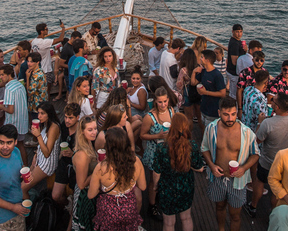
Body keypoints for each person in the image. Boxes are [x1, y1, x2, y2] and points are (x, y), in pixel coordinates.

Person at [200, 97, 260, 231]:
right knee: (219, 206)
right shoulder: (211, 129)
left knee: (235, 215)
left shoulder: (246, 133)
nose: (230, 118)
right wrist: (211, 165)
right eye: (226, 114)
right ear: (219, 112)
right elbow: (204, 148)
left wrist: (244, 168)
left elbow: (255, 153)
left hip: (237, 181)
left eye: (233, 114)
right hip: (217, 178)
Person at [151, 113, 205, 231]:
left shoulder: (162, 148)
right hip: (186, 187)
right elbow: (200, 168)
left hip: (167, 188)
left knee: (169, 223)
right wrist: (187, 164)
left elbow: (157, 172)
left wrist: (155, 186)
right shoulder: (192, 146)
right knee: (186, 218)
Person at [247, 93, 288, 216]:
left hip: (267, 162)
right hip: (286, 164)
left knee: (259, 182)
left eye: (274, 101)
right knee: (277, 191)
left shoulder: (268, 123)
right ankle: (274, 213)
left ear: (277, 107)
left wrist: (260, 122)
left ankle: (253, 207)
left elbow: (257, 140)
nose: (271, 102)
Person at [88, 127, 147, 231]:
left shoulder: (101, 167)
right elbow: (142, 186)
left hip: (108, 211)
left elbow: (91, 194)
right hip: (129, 207)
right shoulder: (136, 161)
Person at [140, 86, 175, 220]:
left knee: (166, 177)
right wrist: (158, 136)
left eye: (165, 101)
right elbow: (142, 135)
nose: (163, 104)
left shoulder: (172, 111)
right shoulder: (149, 117)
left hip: (168, 151)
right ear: (155, 101)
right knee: (153, 181)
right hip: (154, 152)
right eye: (160, 102)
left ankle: (162, 199)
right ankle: (152, 205)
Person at [21, 102, 61, 196]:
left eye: (42, 113)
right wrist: (36, 155)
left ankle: (26, 209)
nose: (39, 116)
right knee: (25, 179)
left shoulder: (53, 127)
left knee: (22, 189)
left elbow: (47, 153)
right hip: (40, 159)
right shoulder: (46, 124)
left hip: (47, 164)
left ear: (49, 114)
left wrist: (38, 135)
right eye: (38, 113)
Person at [72, 116, 99, 231]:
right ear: (82, 132)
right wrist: (98, 169)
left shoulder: (88, 143)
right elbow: (81, 184)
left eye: (95, 128)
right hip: (84, 196)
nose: (94, 132)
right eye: (90, 130)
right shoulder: (82, 155)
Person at [0, 64, 29, 161]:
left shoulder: (9, 89)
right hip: (22, 120)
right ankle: (25, 166)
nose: (0, 77)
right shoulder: (20, 84)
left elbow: (11, 110)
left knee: (12, 148)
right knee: (20, 145)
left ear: (8, 74)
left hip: (14, 123)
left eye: (2, 75)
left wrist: (2, 107)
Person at [52, 102, 81, 205]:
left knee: (76, 197)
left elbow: (87, 154)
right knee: (55, 196)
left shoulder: (82, 132)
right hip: (64, 163)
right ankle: (66, 205)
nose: (67, 120)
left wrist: (73, 153)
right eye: (65, 117)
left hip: (76, 167)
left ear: (77, 117)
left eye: (70, 118)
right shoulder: (63, 126)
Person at [193, 49, 227, 126]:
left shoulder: (217, 75)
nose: (200, 59)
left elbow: (223, 93)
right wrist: (194, 72)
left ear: (207, 60)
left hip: (213, 110)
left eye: (202, 57)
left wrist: (206, 92)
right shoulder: (203, 71)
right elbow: (194, 82)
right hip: (204, 107)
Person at [31, 22, 66, 95]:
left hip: (38, 69)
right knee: (47, 91)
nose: (48, 30)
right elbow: (61, 39)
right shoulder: (45, 42)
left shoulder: (34, 42)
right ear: (42, 31)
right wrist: (63, 28)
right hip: (46, 70)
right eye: (46, 29)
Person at [177, 48, 203, 133]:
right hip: (198, 92)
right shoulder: (199, 68)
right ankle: (203, 135)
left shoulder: (183, 70)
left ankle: (189, 137)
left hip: (188, 93)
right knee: (200, 117)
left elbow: (179, 85)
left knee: (189, 117)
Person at [56, 31, 82, 100]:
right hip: (68, 73)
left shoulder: (74, 46)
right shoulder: (66, 48)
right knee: (70, 91)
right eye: (76, 40)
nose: (77, 42)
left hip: (74, 72)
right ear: (72, 38)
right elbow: (61, 64)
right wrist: (72, 67)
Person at [226, 24, 247, 98]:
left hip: (232, 71)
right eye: (237, 32)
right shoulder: (235, 44)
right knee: (234, 94)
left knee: (233, 93)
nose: (239, 34)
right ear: (233, 32)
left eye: (241, 32)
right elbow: (234, 62)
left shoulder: (236, 41)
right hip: (234, 73)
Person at [25, 52, 48, 117]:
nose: (29, 64)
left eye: (31, 62)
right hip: (43, 102)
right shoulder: (41, 71)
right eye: (28, 61)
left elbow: (29, 92)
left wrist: (27, 77)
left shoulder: (36, 76)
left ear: (37, 62)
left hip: (36, 106)